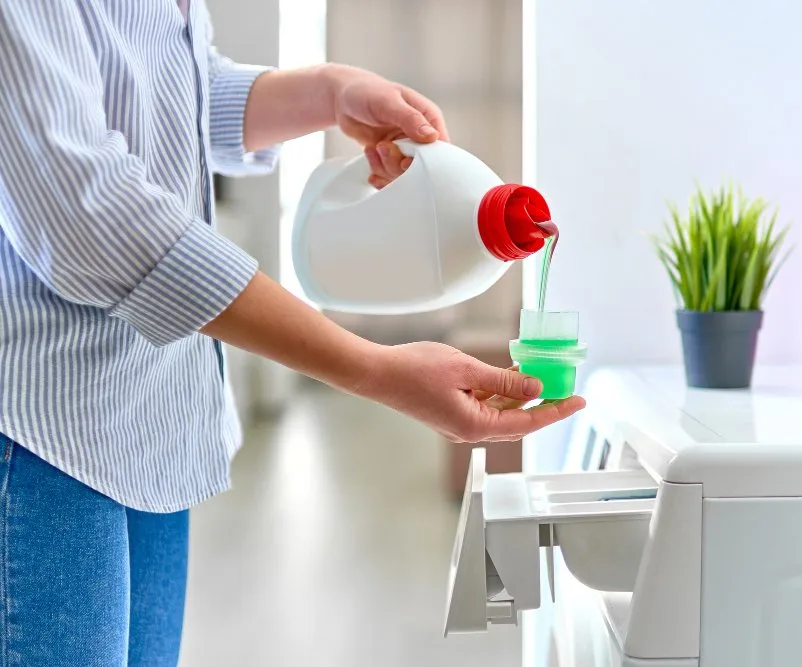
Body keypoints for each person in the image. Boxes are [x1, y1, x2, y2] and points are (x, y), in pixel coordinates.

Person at [0, 1, 585, 664]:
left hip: (145, 419)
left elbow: (172, 90)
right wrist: (375, 369)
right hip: (40, 428)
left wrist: (329, 90)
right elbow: (88, 214)